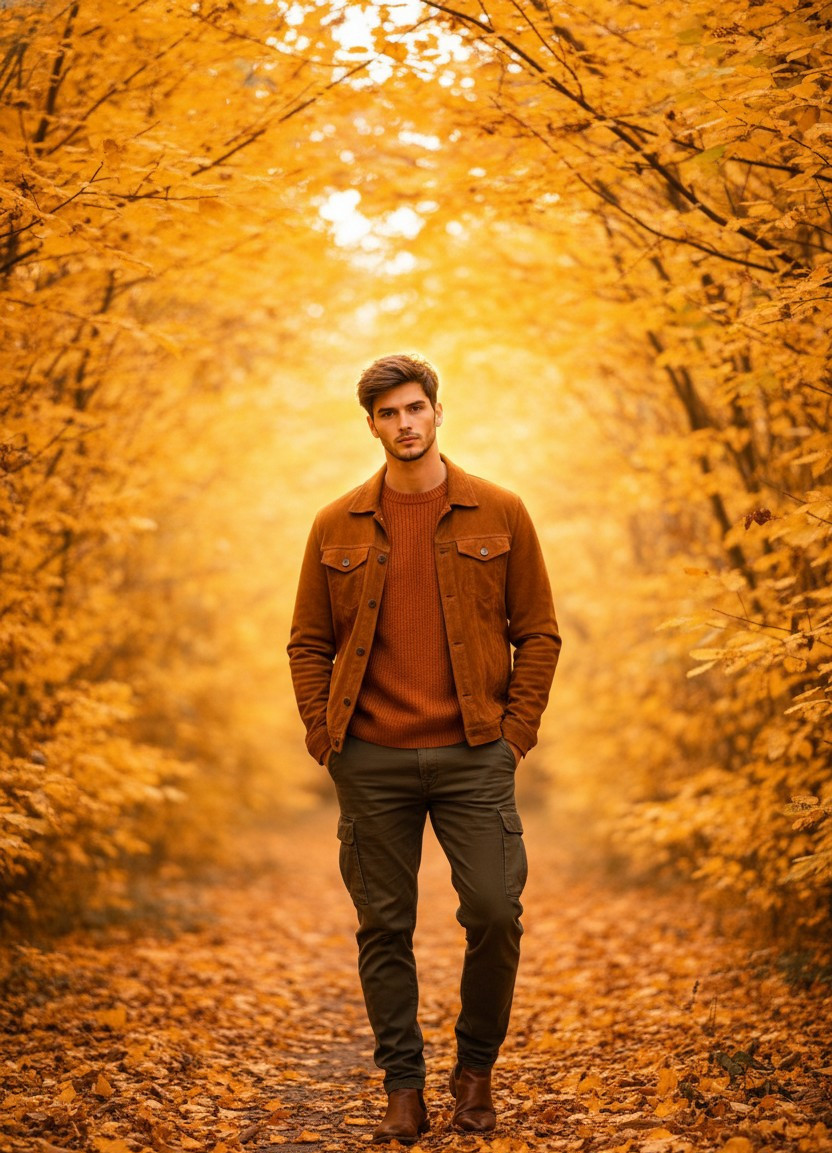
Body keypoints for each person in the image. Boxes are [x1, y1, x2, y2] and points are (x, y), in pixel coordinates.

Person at [287, 354, 561, 1144]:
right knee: (384, 926)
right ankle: (402, 1087)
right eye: (387, 413)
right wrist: (324, 734)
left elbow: (538, 631)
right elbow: (308, 641)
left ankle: (474, 1071)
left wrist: (514, 736)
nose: (404, 423)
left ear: (438, 411)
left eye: (415, 408)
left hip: (476, 752)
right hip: (369, 756)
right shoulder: (335, 523)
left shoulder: (500, 511)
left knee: (494, 912)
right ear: (370, 424)